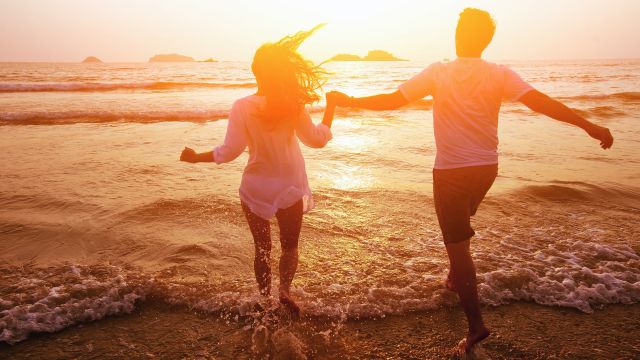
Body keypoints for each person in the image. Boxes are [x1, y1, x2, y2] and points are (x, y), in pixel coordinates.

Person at [331, 8, 613, 353]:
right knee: (460, 231)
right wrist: (589, 125)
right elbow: (541, 103)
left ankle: (476, 326)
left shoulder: (439, 72)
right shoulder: (499, 74)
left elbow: (393, 101)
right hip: (486, 170)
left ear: (458, 34)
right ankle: (454, 278)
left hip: (451, 172)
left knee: (458, 246)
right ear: (486, 40)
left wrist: (351, 101)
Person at [180, 25, 339, 315]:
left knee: (262, 249)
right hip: (290, 186)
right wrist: (331, 109)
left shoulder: (242, 106)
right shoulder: (292, 105)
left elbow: (229, 152)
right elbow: (316, 141)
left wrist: (195, 158)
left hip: (256, 187)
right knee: (289, 247)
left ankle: (265, 301)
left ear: (255, 70)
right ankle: (285, 291)